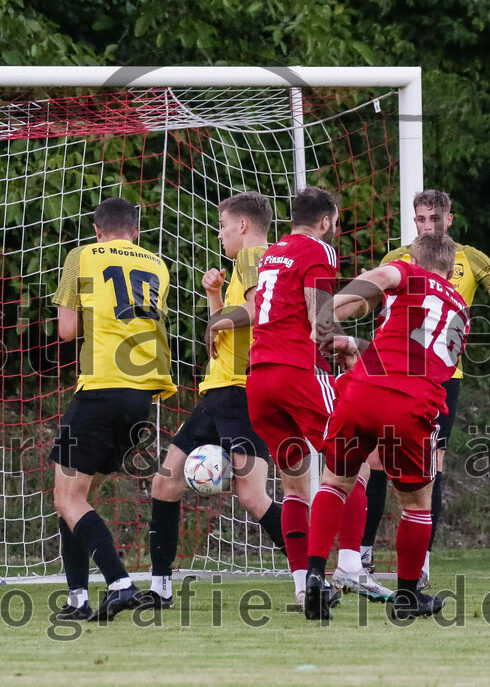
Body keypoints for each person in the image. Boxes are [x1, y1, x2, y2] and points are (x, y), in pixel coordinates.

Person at [212, 187, 390, 609]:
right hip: (299, 372)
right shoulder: (319, 251)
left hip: (260, 380)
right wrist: (352, 346)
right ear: (326, 221)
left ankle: (301, 585)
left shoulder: (272, 253)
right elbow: (319, 321)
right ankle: (349, 564)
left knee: (293, 484)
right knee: (354, 459)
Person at [360, 189, 490, 587]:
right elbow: (374, 307)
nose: (428, 226)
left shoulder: (470, 259)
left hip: (440, 380)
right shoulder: (397, 260)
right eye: (421, 219)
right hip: (391, 374)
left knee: (429, 469)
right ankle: (361, 557)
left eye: (435, 219)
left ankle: (418, 567)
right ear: (414, 221)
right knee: (373, 461)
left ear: (449, 220)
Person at [304, 231, 471, 620]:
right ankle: (408, 597)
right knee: (416, 503)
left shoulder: (408, 273)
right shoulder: (462, 310)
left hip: (363, 390)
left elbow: (379, 280)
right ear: (450, 269)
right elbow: (418, 357)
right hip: (413, 404)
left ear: (416, 259)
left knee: (335, 483)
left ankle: (314, 576)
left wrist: (328, 312)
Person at [146, 192, 285, 608]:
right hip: (219, 391)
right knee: (165, 481)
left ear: (242, 226)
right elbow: (231, 329)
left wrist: (218, 316)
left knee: (254, 497)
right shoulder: (250, 263)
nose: (220, 234)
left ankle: (313, 572)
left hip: (240, 391)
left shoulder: (254, 256)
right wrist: (215, 299)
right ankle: (160, 587)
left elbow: (256, 311)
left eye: (222, 225)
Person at [50, 197, 176, 622]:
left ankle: (120, 584)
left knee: (67, 496)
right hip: (141, 396)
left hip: (102, 386)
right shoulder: (158, 264)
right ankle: (78, 598)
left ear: (96, 229)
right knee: (77, 497)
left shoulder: (81, 256)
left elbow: (67, 331)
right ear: (136, 231)